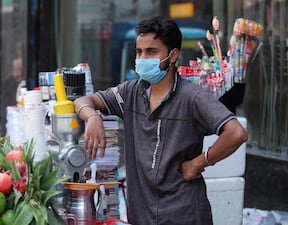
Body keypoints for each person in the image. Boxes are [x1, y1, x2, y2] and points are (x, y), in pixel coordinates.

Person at [73, 16, 248, 225]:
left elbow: (236, 133)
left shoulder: (192, 98)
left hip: (184, 214)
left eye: (152, 51)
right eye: (139, 52)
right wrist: (92, 117)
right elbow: (84, 100)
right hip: (142, 214)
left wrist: (198, 163)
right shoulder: (130, 92)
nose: (143, 58)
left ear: (173, 55)